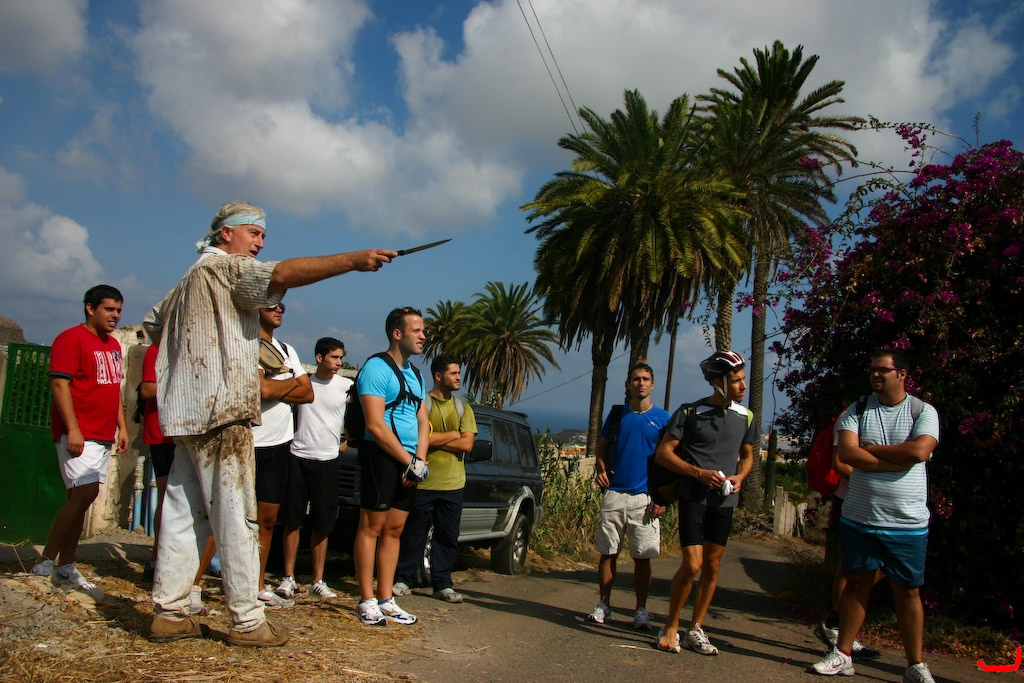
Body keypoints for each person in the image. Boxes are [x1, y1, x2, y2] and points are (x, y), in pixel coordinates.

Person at [143, 201, 396, 647]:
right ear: (226, 234)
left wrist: (192, 362)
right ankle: (246, 621)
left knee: (184, 515)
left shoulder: (189, 279)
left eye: (263, 235)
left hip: (188, 414)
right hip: (222, 413)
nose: (260, 243)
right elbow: (280, 275)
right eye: (254, 233)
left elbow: (153, 324)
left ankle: (169, 612)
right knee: (237, 517)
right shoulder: (226, 268)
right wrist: (354, 261)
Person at [811, 350, 939, 682]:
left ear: (902, 374)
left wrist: (872, 451)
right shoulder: (856, 410)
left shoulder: (923, 411)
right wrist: (898, 459)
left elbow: (920, 450)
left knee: (908, 591)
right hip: (861, 517)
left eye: (883, 370)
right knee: (856, 584)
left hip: (906, 522)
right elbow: (848, 454)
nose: (875, 375)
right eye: (872, 370)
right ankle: (843, 654)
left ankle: (915, 665)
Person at [654, 350, 758, 656]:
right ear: (718, 382)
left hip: (725, 502)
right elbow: (664, 454)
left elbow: (748, 455)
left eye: (743, 379)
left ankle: (696, 629)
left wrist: (741, 476)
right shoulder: (690, 413)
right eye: (736, 381)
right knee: (693, 564)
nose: (743, 386)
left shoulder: (746, 417)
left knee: (712, 566)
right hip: (693, 497)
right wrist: (698, 473)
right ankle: (671, 625)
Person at [31, 285, 130, 602]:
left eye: (118, 310)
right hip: (79, 433)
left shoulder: (113, 345)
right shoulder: (70, 339)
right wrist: (72, 429)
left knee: (80, 499)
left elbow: (113, 387)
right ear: (90, 308)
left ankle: (66, 564)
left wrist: (122, 427)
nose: (115, 316)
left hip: (103, 434)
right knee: (85, 493)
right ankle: (46, 561)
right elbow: (60, 385)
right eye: (109, 309)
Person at [353, 307, 429, 626]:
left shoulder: (416, 374)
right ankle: (366, 599)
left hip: (410, 462)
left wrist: (418, 461)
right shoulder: (376, 368)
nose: (423, 336)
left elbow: (423, 420)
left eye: (423, 330)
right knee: (371, 527)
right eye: (416, 330)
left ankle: (386, 598)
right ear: (397, 334)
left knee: (395, 530)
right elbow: (375, 424)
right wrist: (408, 460)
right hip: (381, 457)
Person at [586, 363, 670, 630]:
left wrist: (662, 497)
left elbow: (670, 460)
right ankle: (604, 605)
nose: (640, 383)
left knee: (642, 557)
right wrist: (601, 470)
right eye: (636, 379)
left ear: (652, 384)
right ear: (628, 384)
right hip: (615, 495)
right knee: (607, 552)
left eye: (645, 379)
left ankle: (641, 611)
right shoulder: (617, 416)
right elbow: (601, 448)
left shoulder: (664, 419)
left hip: (645, 499)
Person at [394, 354, 477, 603]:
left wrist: (433, 438)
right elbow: (417, 438)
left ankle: (443, 584)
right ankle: (403, 579)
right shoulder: (422, 404)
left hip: (453, 484)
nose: (459, 377)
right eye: (453, 373)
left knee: (447, 536)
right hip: (423, 482)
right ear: (438, 376)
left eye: (459, 373)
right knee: (413, 533)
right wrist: (452, 434)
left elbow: (467, 445)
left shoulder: (464, 408)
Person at [140, 341, 214, 616]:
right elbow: (148, 389)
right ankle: (158, 561)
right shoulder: (158, 350)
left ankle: (189, 574)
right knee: (169, 500)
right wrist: (187, 384)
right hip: (163, 433)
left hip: (190, 432)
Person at [275, 337, 352, 601]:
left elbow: (360, 418)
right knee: (292, 520)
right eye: (334, 357)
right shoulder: (303, 383)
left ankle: (318, 580)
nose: (339, 363)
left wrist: (346, 443)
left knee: (323, 522)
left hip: (328, 461)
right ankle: (288, 577)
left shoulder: (346, 386)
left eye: (341, 358)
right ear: (319, 357)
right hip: (298, 456)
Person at [252, 302, 312, 608]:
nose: (279, 310)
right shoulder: (246, 343)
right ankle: (195, 586)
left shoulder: (286, 350)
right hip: (247, 442)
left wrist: (276, 383)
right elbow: (261, 391)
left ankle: (258, 584)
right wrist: (290, 382)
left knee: (268, 519)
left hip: (278, 444)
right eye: (272, 305)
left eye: (282, 306)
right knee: (224, 518)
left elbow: (308, 393)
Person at [813, 403, 881, 661]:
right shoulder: (853, 414)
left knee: (875, 565)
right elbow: (839, 462)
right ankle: (837, 626)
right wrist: (875, 483)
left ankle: (836, 621)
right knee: (851, 567)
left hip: (875, 502)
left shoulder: (884, 413)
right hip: (852, 500)